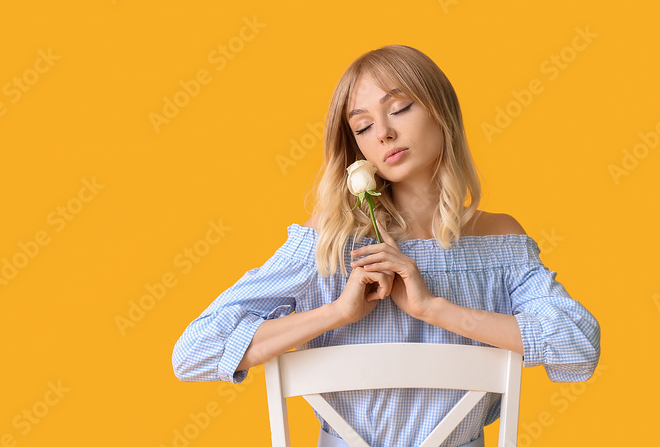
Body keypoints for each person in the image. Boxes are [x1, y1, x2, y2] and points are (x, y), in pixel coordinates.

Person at [171, 45, 601, 447]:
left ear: (442, 111)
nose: (384, 133)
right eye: (363, 126)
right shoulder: (331, 241)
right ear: (355, 147)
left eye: (399, 108)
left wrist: (431, 307)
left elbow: (579, 347)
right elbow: (195, 352)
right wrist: (338, 312)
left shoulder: (498, 240)